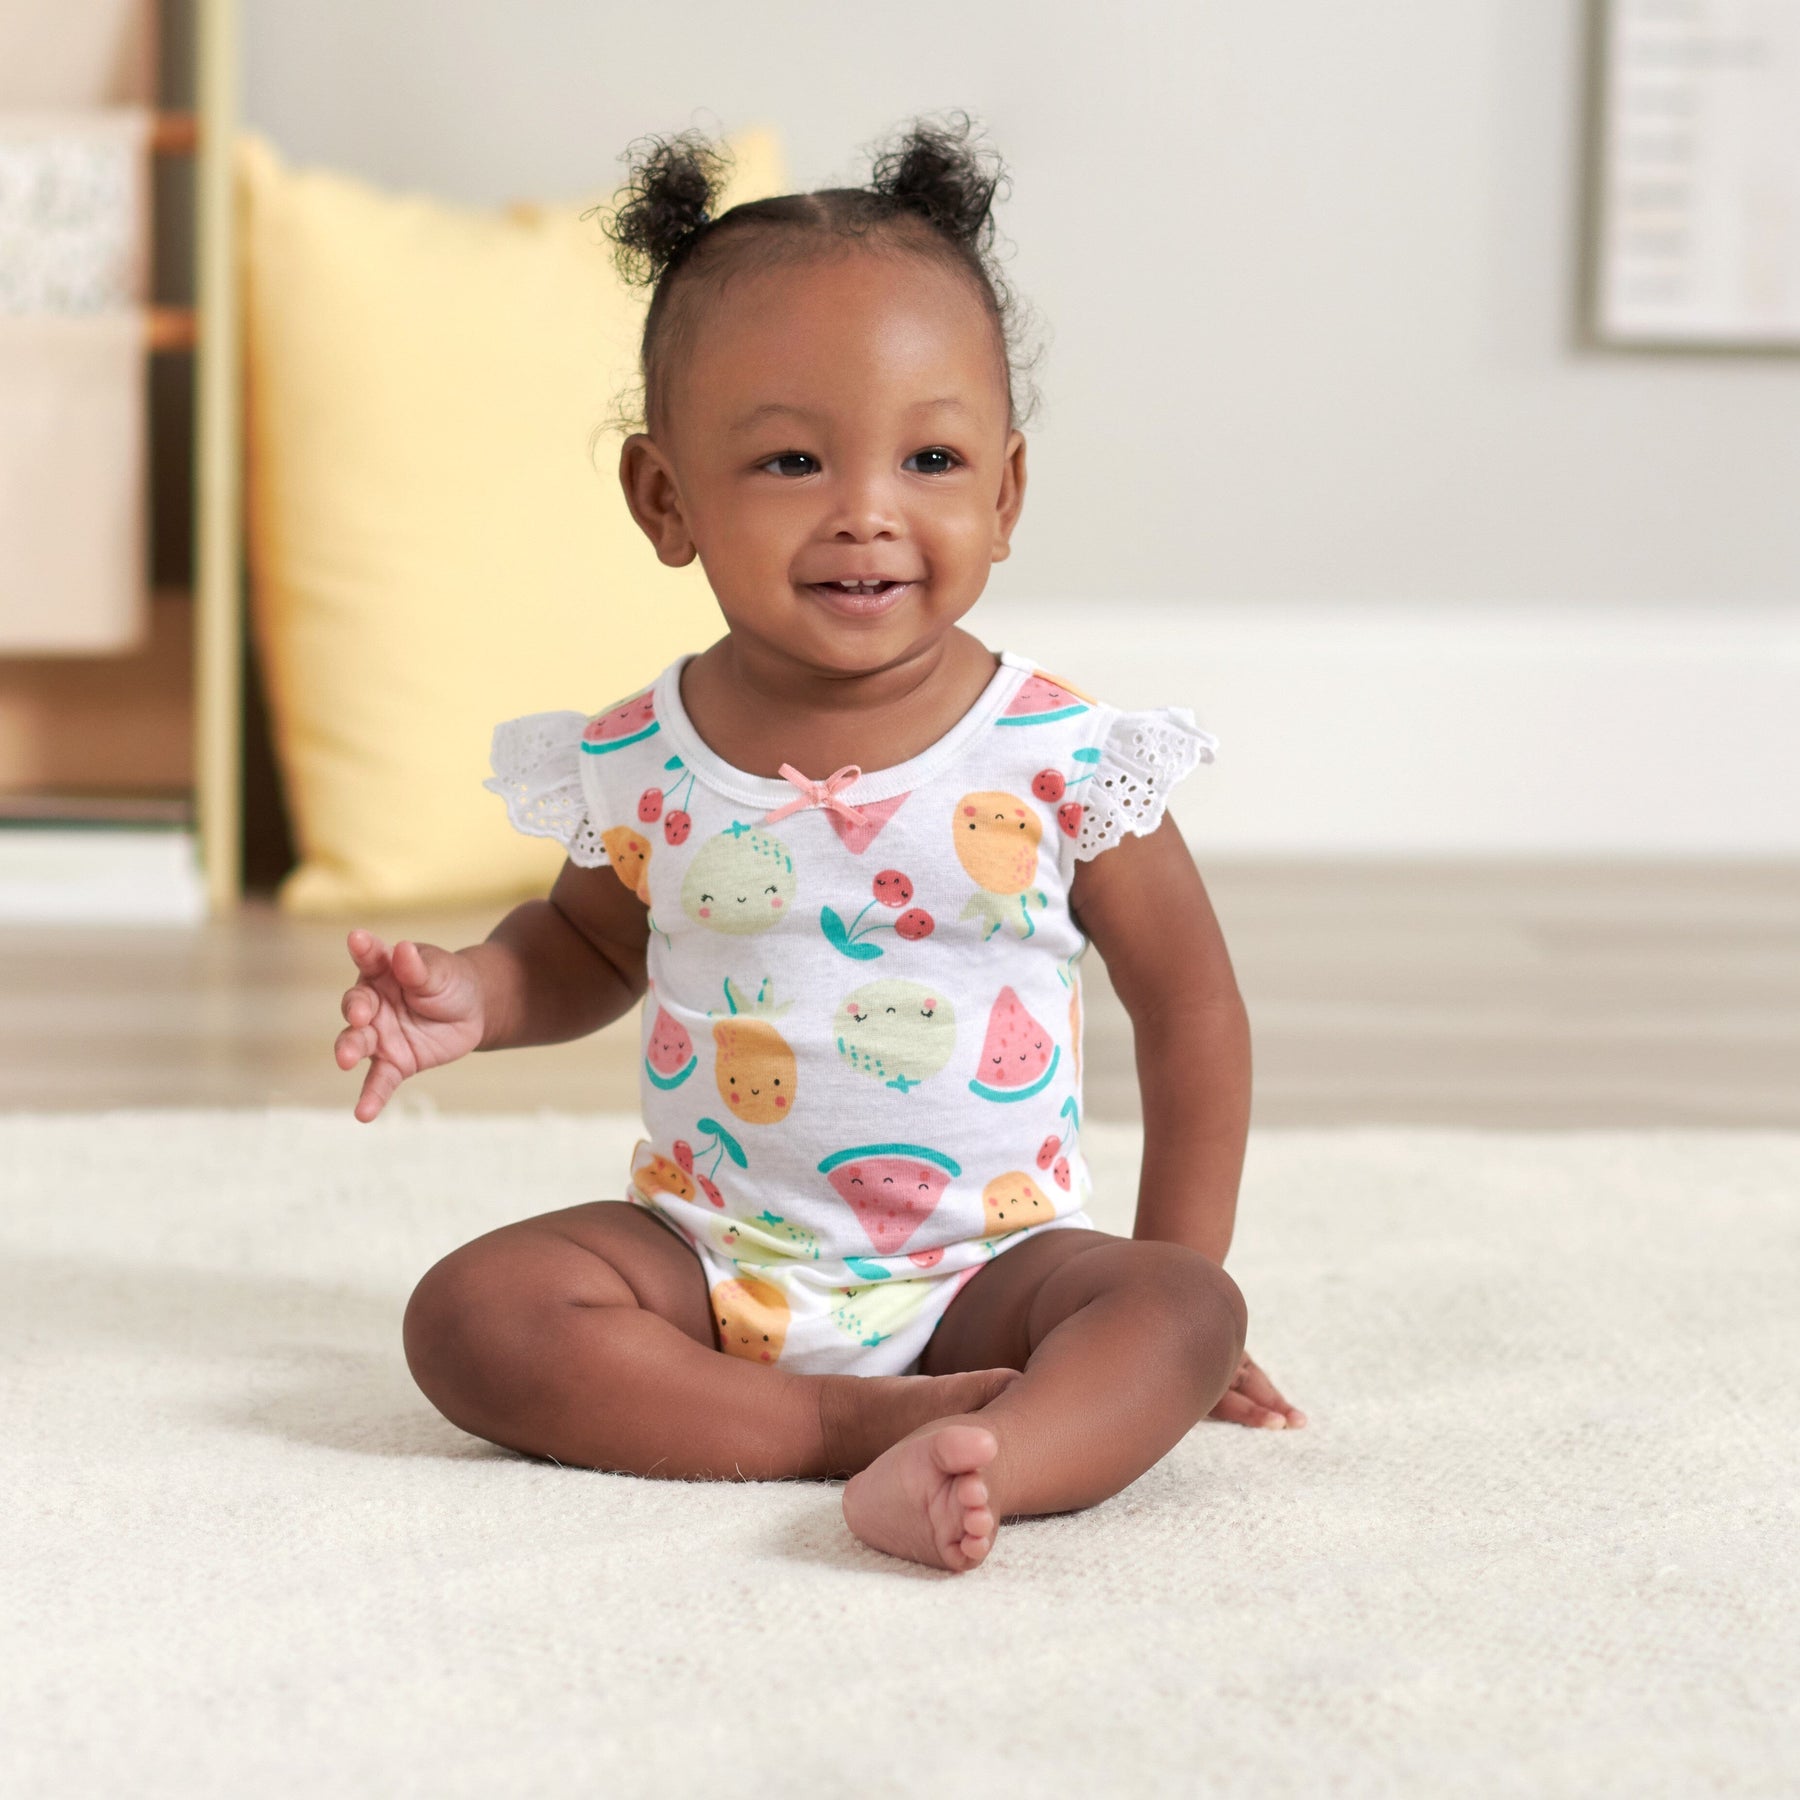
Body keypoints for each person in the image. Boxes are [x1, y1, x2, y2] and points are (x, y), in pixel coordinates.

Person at [335, 116, 1305, 1573]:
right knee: (472, 1316)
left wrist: (1175, 1267)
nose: (866, 513)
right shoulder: (642, 755)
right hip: (707, 1263)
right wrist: (477, 991)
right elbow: (587, 946)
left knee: (1179, 1316)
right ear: (666, 499)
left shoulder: (1061, 758)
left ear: (1004, 494)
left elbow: (1193, 1009)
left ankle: (1002, 1445)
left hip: (991, 1276)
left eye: (930, 457)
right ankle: (843, 1427)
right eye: (793, 460)